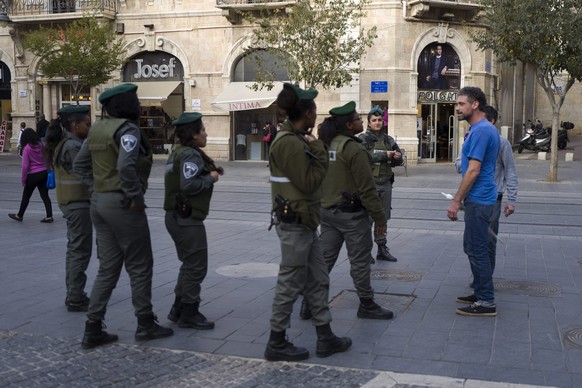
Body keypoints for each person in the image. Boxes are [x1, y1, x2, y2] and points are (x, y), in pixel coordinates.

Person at [73, 83, 173, 348]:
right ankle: (145, 323)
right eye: (135, 100)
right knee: (140, 264)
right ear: (127, 105)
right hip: (122, 204)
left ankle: (92, 327)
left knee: (108, 267)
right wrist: (134, 197)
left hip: (99, 204)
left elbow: (79, 164)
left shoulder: (97, 130)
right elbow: (126, 166)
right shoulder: (127, 130)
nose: (139, 105)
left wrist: (95, 187)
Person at [265, 82, 351, 362]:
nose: (317, 114)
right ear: (308, 113)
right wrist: (321, 153)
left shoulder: (297, 138)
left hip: (305, 222)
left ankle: (325, 337)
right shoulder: (289, 142)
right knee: (290, 281)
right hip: (295, 223)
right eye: (314, 109)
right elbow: (309, 182)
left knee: (318, 278)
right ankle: (276, 340)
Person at [317, 101, 394, 320]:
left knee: (324, 260)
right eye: (358, 119)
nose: (362, 121)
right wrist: (380, 218)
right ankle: (367, 304)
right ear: (349, 125)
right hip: (351, 215)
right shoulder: (353, 148)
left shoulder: (326, 144)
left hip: (328, 212)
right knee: (360, 262)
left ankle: (311, 301)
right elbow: (367, 188)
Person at [164, 112, 223, 330]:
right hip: (186, 218)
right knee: (197, 266)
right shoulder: (190, 155)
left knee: (189, 264)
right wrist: (211, 178)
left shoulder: (178, 152)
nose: (206, 134)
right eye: (203, 130)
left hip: (176, 216)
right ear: (194, 135)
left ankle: (178, 308)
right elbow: (188, 185)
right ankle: (189, 311)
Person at [447, 87, 500, 317]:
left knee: (477, 250)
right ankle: (479, 293)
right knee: (472, 247)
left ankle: (486, 301)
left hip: (479, 200)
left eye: (461, 104)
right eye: (457, 104)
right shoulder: (481, 129)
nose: (457, 108)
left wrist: (456, 200)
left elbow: (473, 170)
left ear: (475, 104)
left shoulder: (480, 131)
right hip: (479, 199)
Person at [455, 105, 518, 282]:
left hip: (492, 200)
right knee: (473, 244)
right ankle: (480, 283)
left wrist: (511, 199)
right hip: (473, 198)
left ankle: (484, 284)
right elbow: (459, 165)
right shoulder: (471, 138)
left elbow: (511, 172)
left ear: (491, 122)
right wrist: (472, 160)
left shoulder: (501, 143)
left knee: (488, 242)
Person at [45, 105, 93, 312]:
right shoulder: (72, 146)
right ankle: (75, 296)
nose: (89, 127)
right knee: (79, 251)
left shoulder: (66, 142)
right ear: (75, 125)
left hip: (72, 202)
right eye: (87, 124)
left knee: (75, 249)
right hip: (77, 203)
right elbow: (85, 172)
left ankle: (74, 293)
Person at [358, 106, 401, 262]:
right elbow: (364, 157)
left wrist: (397, 156)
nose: (377, 123)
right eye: (374, 120)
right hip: (369, 185)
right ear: (369, 123)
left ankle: (381, 248)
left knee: (383, 218)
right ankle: (365, 252)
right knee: (367, 219)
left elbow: (398, 160)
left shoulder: (388, 139)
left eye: (380, 120)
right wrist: (384, 154)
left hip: (385, 183)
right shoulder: (362, 139)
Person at [9, 128, 53, 223]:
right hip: (44, 172)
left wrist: (23, 180)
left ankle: (19, 215)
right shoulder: (41, 144)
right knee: (45, 195)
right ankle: (49, 216)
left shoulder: (27, 148)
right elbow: (46, 158)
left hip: (33, 175)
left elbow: (25, 166)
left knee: (26, 196)